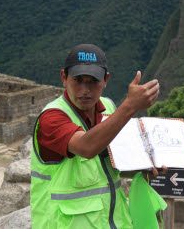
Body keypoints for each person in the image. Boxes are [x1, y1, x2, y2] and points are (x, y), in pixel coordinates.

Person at [30, 43, 165, 228]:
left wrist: (142, 169)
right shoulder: (51, 118)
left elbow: (107, 164)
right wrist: (130, 106)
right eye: (78, 80)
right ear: (64, 77)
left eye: (93, 81)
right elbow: (86, 148)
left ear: (106, 80)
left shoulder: (108, 108)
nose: (85, 89)